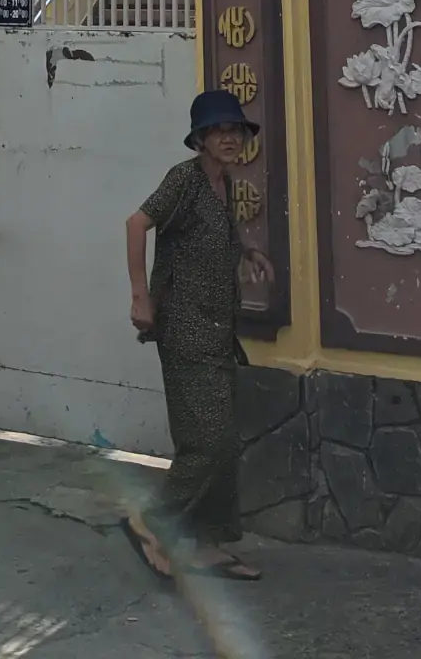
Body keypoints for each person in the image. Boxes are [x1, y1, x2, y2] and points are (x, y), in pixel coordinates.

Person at [120, 89, 274, 582]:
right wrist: (140, 295)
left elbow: (212, 234)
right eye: (219, 131)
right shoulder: (184, 180)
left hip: (217, 327)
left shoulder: (220, 184)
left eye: (236, 131)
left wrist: (246, 251)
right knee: (207, 442)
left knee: (223, 443)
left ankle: (204, 543)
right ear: (201, 139)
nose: (230, 139)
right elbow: (136, 224)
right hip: (186, 328)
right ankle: (152, 521)